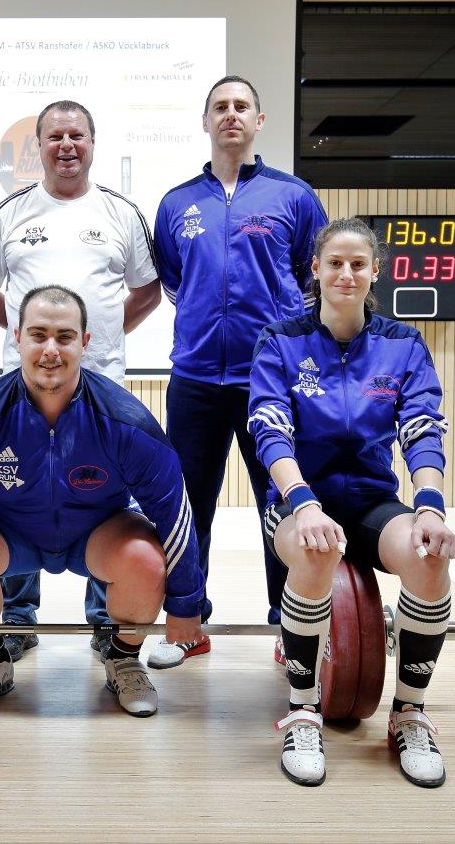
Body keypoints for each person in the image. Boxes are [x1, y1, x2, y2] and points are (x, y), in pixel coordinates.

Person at [0, 286, 202, 718]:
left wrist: (186, 603)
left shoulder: (126, 420)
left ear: (85, 342)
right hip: (10, 531)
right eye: (38, 335)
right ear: (17, 338)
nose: (50, 350)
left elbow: (174, 513)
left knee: (144, 556)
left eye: (64, 337)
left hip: (98, 532)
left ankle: (122, 660)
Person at [247, 217, 455, 788]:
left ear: (374, 272)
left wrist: (430, 508)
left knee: (429, 557)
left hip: (370, 501)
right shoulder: (279, 340)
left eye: (358, 264)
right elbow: (270, 429)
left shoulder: (402, 343)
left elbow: (422, 428)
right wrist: (304, 503)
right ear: (315, 269)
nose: (346, 273)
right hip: (298, 501)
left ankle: (409, 714)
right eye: (335, 263)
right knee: (315, 553)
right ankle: (302, 712)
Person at [0, 100, 161, 659]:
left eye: (77, 135)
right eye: (55, 137)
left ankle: (106, 621)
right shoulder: (10, 212)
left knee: (106, 497)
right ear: (40, 147)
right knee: (13, 493)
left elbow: (148, 288)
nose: (66, 146)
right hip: (23, 389)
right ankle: (16, 620)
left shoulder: (122, 212)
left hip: (104, 387)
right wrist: (29, 337)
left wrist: (98, 336)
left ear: (92, 144)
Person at [150, 75, 329, 669]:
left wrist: (283, 345)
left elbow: (311, 279)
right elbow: (175, 281)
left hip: (270, 383)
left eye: (241, 106)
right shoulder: (177, 203)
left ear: (259, 120)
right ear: (206, 121)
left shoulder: (294, 196)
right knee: (187, 506)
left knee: (280, 504)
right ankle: (188, 622)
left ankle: (289, 624)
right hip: (196, 380)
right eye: (220, 107)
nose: (231, 115)